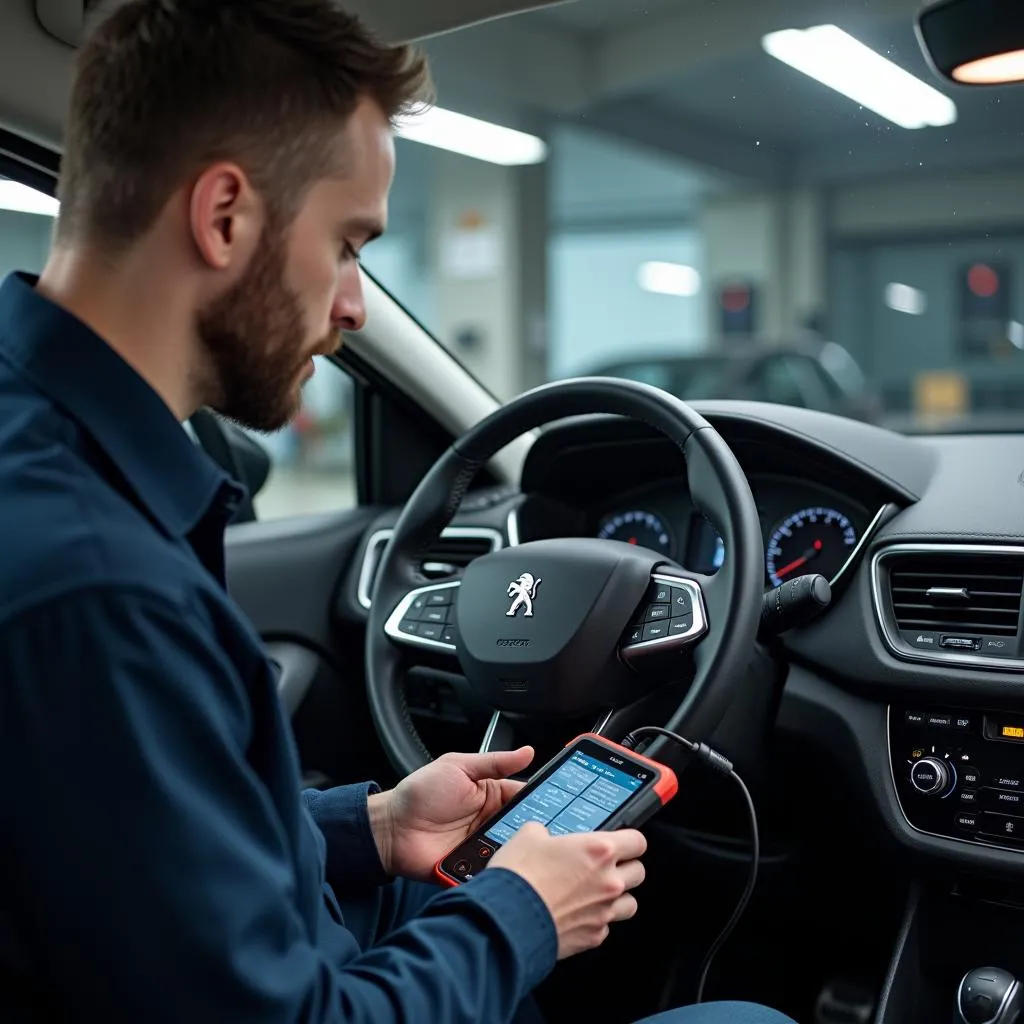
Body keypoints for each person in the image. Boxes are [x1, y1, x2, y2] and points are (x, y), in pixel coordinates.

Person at [0, 2, 796, 1022]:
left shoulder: (53, 466)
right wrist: (525, 912)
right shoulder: (98, 590)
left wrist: (369, 825)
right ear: (225, 215)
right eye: (346, 244)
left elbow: (136, 840)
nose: (355, 305)